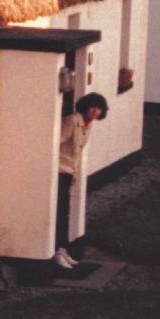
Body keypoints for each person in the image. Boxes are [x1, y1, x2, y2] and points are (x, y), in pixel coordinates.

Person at [54, 92, 107, 269]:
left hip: (68, 172)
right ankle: (57, 252)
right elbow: (55, 143)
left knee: (64, 211)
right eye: (92, 106)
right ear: (85, 106)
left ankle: (62, 250)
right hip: (58, 171)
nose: (95, 111)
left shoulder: (88, 125)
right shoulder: (72, 121)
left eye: (99, 108)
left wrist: (75, 172)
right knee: (59, 212)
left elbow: (77, 151)